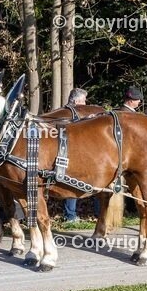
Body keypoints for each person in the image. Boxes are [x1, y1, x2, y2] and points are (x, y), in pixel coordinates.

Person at [62, 88, 88, 222]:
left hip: (66, 151)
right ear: (77, 101)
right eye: (84, 101)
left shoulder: (65, 111)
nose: (85, 103)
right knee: (71, 183)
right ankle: (70, 215)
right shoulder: (71, 114)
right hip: (68, 152)